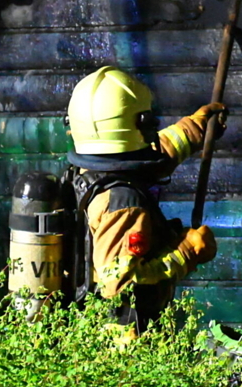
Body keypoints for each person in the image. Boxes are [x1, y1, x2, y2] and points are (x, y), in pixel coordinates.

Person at [64, 66, 224, 335]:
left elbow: (146, 158)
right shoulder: (123, 203)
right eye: (147, 122)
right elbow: (118, 286)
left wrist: (194, 128)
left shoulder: (89, 171)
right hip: (125, 343)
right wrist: (187, 252)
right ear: (136, 125)